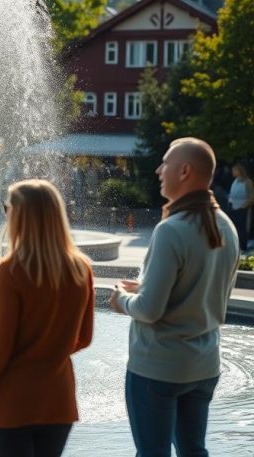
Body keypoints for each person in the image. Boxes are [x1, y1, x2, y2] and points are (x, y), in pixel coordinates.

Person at [110, 137, 241, 457]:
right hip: (204, 366)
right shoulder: (226, 226)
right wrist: (146, 286)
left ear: (184, 171)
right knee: (194, 451)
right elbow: (206, 292)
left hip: (158, 368)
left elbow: (150, 311)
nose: (158, 170)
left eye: (165, 162)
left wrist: (121, 301)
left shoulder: (171, 229)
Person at [0, 179, 94, 457]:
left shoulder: (11, 270)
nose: (5, 215)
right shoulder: (81, 269)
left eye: (7, 208)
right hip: (58, 402)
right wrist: (50, 349)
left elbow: (0, 346)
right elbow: (84, 338)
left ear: (21, 215)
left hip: (11, 403)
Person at [228, 163, 252, 251]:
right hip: (234, 208)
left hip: (243, 208)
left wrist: (244, 206)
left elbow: (251, 196)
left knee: (243, 229)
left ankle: (244, 246)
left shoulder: (247, 182)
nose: (232, 172)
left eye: (234, 170)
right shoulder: (235, 181)